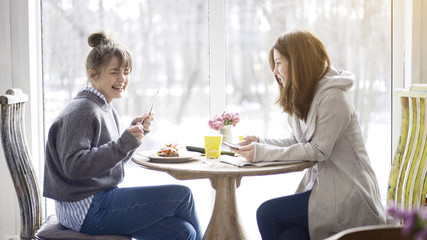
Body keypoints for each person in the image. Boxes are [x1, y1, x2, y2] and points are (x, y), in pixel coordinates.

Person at [43, 31, 202, 240]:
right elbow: (74, 167)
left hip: (95, 202)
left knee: (183, 232)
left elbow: (109, 162)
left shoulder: (103, 107)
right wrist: (122, 143)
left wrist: (134, 137)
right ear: (93, 75)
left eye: (126, 72)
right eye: (115, 72)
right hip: (86, 209)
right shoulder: (83, 110)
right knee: (183, 196)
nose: (123, 79)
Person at [231, 30, 386, 240]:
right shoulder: (305, 94)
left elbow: (318, 150)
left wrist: (260, 153)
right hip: (322, 191)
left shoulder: (333, 97)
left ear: (296, 62)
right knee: (290, 235)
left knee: (267, 214)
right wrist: (260, 142)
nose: (274, 71)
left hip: (347, 194)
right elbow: (297, 141)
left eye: (278, 63)